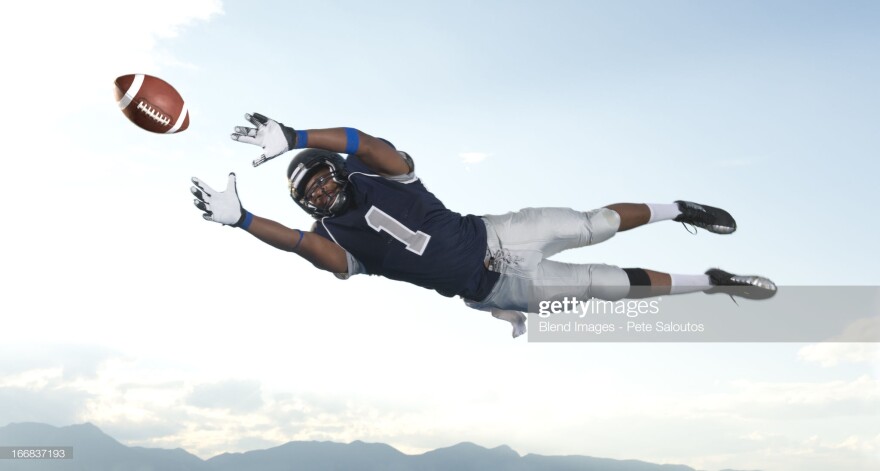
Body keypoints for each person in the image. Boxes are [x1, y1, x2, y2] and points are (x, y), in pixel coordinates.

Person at [191, 113, 776, 338]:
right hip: (499, 287)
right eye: (309, 192)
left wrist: (295, 138)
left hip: (500, 236)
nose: (320, 188)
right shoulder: (341, 245)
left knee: (596, 223)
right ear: (311, 206)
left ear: (336, 172)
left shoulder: (381, 176)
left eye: (320, 175)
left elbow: (367, 143)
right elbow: (300, 247)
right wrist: (243, 220)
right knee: (613, 283)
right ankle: (716, 280)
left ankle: (680, 210)